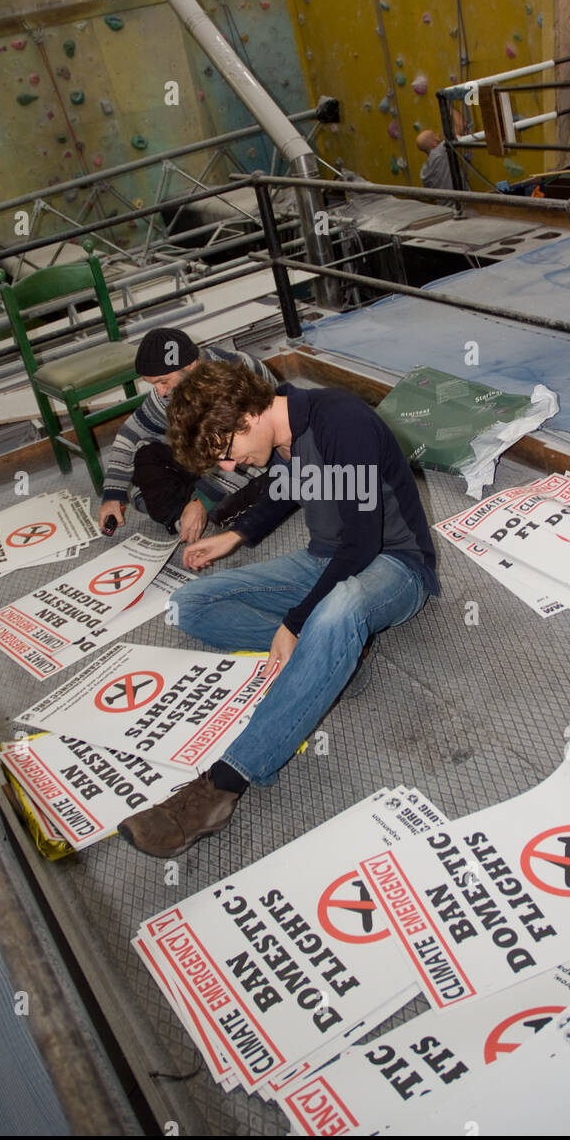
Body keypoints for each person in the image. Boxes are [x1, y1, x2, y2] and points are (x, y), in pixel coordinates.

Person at [117, 361, 439, 858]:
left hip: (393, 564)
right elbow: (286, 490)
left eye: (225, 453)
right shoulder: (285, 423)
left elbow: (360, 544)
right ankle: (332, 655)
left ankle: (223, 784)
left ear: (247, 415)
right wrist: (232, 537)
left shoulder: (343, 423)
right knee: (188, 604)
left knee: (335, 610)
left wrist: (295, 622)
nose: (229, 468)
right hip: (321, 560)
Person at [97, 327, 275, 543]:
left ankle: (185, 505)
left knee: (219, 508)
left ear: (190, 365)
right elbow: (131, 432)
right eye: (154, 384)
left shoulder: (237, 375)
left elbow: (249, 451)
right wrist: (113, 493)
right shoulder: (174, 386)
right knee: (145, 450)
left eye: (163, 381)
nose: (161, 391)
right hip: (211, 456)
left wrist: (201, 501)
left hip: (255, 459)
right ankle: (183, 511)